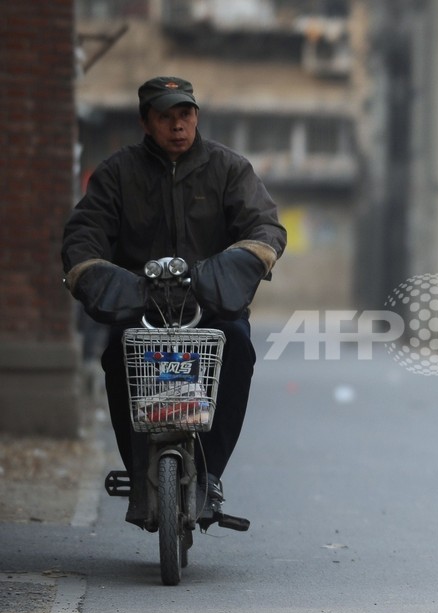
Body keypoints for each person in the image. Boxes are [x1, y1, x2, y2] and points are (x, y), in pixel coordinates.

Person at [62, 76, 287, 527]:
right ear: (147, 122)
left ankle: (210, 477)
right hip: (140, 311)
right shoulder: (117, 173)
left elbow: (264, 226)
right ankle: (139, 474)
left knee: (237, 349)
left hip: (212, 311)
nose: (178, 126)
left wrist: (243, 261)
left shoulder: (229, 169)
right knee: (116, 358)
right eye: (166, 117)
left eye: (185, 114)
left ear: (196, 116)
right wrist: (90, 270)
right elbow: (85, 232)